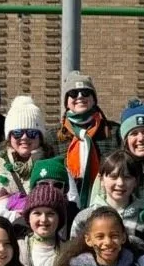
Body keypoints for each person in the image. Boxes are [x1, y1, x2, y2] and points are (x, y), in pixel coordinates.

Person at [47, 71, 120, 209]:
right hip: (66, 204)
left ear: (94, 99)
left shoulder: (114, 131)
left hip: (105, 201)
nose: (80, 96)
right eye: (73, 93)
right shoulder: (52, 136)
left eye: (85, 92)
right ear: (66, 101)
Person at [0, 95, 50, 222]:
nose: (24, 137)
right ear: (9, 137)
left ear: (40, 137)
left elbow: (71, 200)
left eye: (32, 133)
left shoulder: (53, 165)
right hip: (4, 232)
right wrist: (11, 216)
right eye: (17, 133)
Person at [74, 150, 144, 252]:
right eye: (113, 177)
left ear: (136, 181)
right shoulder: (85, 217)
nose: (120, 183)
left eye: (127, 177)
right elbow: (74, 254)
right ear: (101, 179)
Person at [17, 183, 67, 266]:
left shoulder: (68, 251)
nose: (43, 219)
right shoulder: (18, 249)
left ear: (59, 218)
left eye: (50, 213)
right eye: (37, 213)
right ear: (28, 217)